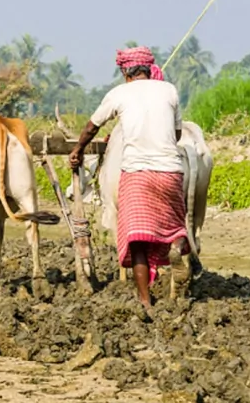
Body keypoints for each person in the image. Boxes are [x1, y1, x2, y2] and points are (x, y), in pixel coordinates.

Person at [68, 46, 189, 312]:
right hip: (171, 173)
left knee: (137, 241)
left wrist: (77, 150)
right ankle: (177, 246)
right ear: (148, 69)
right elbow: (177, 134)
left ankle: (145, 301)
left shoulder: (119, 94)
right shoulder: (169, 90)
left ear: (126, 72)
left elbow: (92, 126)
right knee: (173, 227)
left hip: (137, 175)